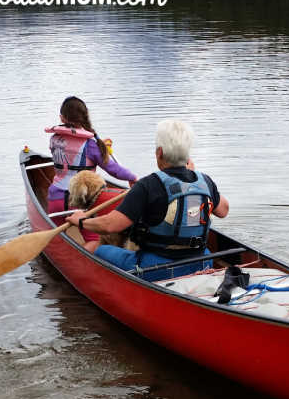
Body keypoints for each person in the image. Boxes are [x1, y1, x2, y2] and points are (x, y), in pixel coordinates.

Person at [66, 119, 229, 281]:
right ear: (187, 155)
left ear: (159, 152)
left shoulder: (148, 185)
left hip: (157, 268)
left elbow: (110, 225)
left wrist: (81, 221)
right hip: (201, 262)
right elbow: (223, 210)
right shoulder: (205, 182)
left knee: (101, 250)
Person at [46, 96, 137, 243]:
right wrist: (132, 177)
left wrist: (101, 146)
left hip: (55, 197)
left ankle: (59, 251)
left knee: (57, 238)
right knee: (93, 240)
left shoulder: (54, 138)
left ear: (61, 118)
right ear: (85, 116)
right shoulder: (91, 144)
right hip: (80, 200)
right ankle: (83, 262)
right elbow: (113, 170)